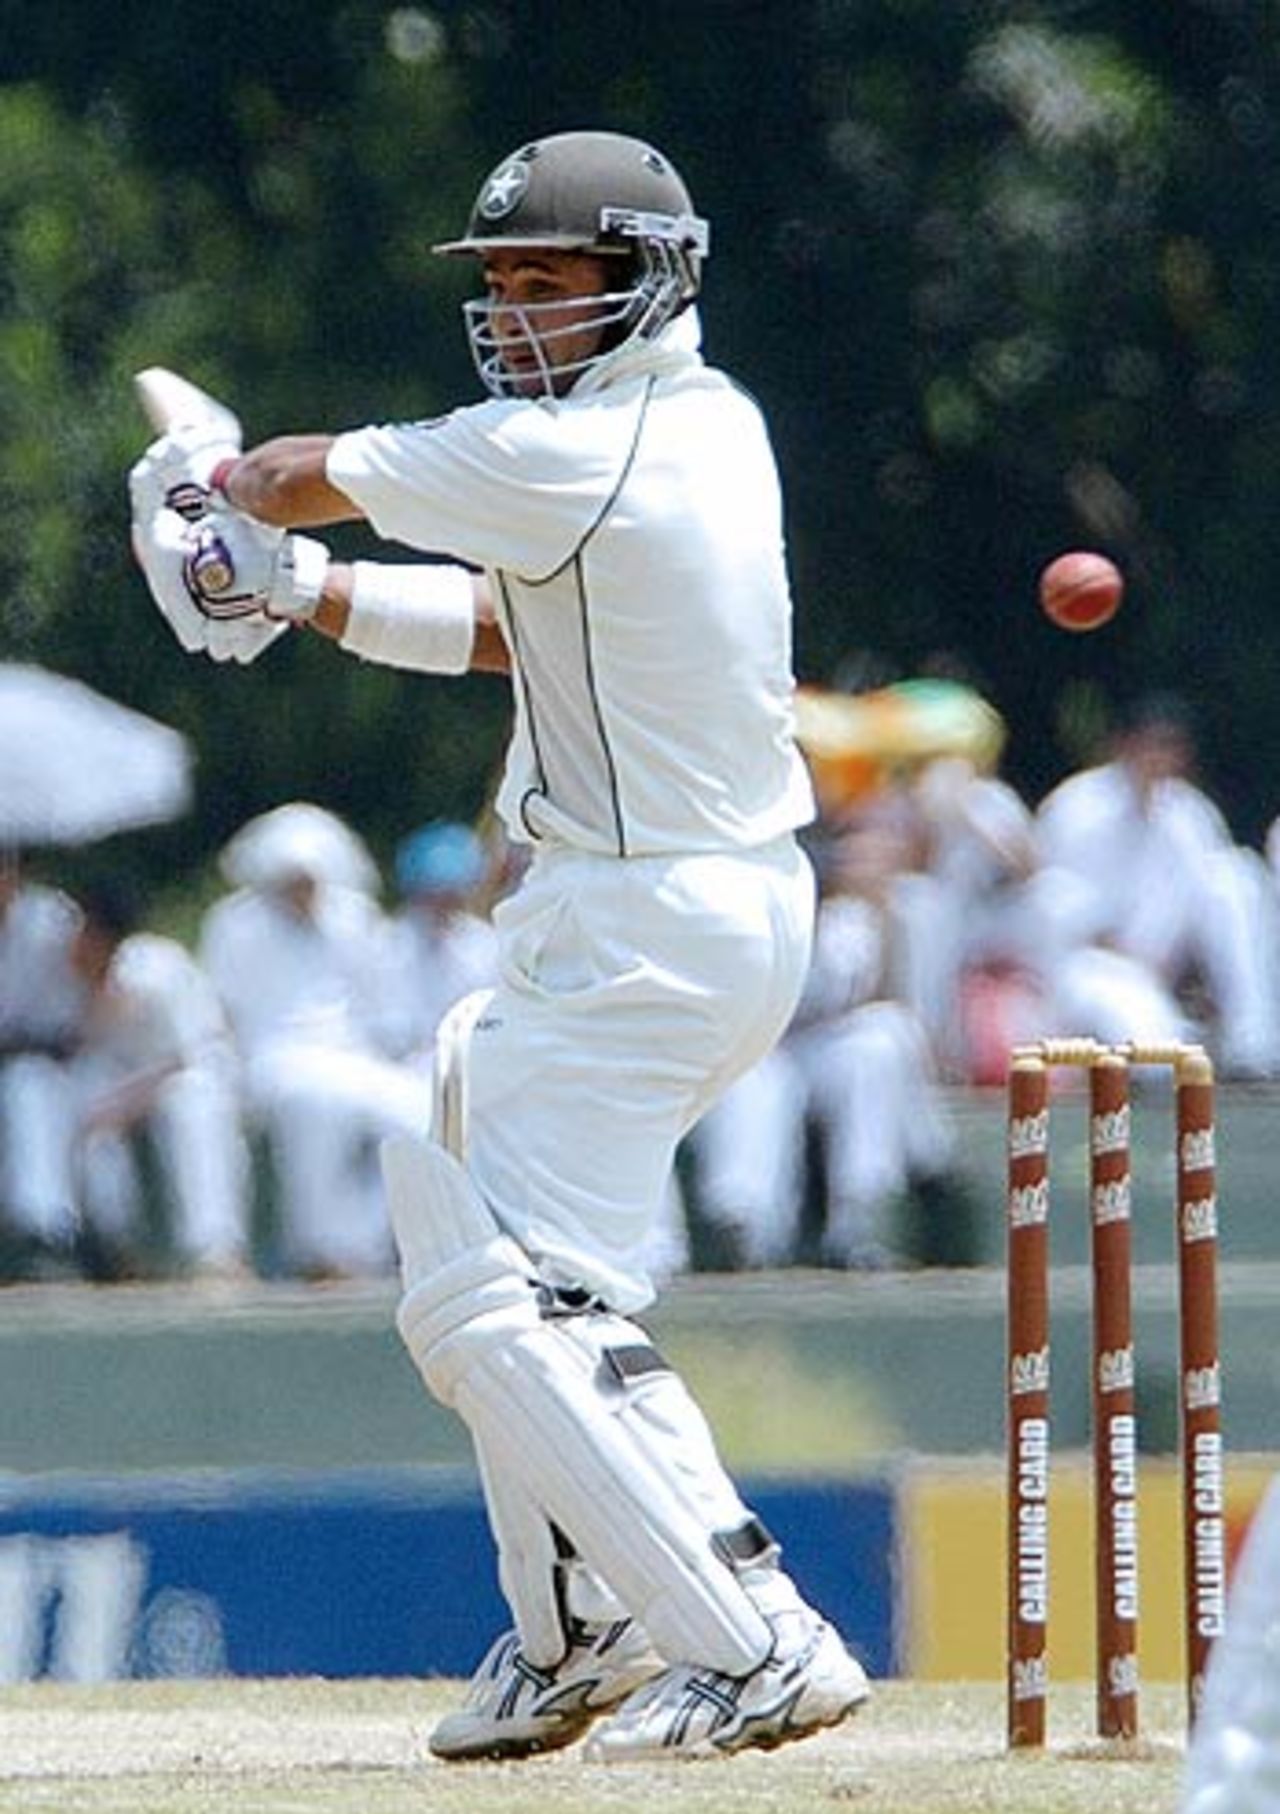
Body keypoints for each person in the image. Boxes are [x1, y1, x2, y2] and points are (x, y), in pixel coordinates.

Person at [128, 131, 869, 1760]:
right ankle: (576, 1630)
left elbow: (292, 474)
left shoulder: (577, 450)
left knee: (507, 1302)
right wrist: (300, 588)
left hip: (649, 921)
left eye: (555, 285)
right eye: (508, 289)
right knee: (472, 1168)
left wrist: (209, 490)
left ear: (646, 281)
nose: (523, 318)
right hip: (678, 908)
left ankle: (755, 1641)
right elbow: (497, 628)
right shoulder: (697, 429)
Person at [198, 803, 431, 1280]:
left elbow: (384, 1009)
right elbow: (222, 1012)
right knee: (316, 1107)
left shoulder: (354, 918)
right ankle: (317, 1249)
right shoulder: (235, 923)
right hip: (274, 1057)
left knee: (419, 1112)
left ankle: (367, 1244)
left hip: (351, 1055)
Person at [1036, 694, 1280, 1078]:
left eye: (1172, 746)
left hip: (1164, 969)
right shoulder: (1075, 806)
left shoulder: (1192, 812)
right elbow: (1055, 910)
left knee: (1236, 874)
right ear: (1123, 745)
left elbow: (1210, 908)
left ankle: (1251, 1044)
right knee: (1158, 1058)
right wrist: (1134, 964)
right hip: (1092, 969)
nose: (1162, 757)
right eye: (1153, 744)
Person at [63, 879, 252, 1282]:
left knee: (194, 1110)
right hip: (119, 1091)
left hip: (190, 1078)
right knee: (92, 1131)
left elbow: (188, 1054)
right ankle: (119, 1255)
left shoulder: (159, 966)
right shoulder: (67, 981)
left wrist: (127, 1104)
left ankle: (215, 1251)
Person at [0, 848, 83, 1278]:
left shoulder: (52, 920)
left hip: (48, 1067)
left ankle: (45, 1230)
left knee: (28, 1087)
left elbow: (67, 1026)